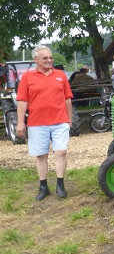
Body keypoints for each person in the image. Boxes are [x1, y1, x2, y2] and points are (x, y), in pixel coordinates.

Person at [15, 45, 73, 200]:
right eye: (45, 58)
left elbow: (67, 99)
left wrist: (70, 120)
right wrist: (20, 123)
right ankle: (43, 186)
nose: (49, 60)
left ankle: (60, 184)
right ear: (36, 60)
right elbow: (22, 101)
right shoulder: (27, 77)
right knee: (41, 156)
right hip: (36, 123)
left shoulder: (61, 75)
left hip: (60, 121)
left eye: (51, 57)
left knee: (61, 152)